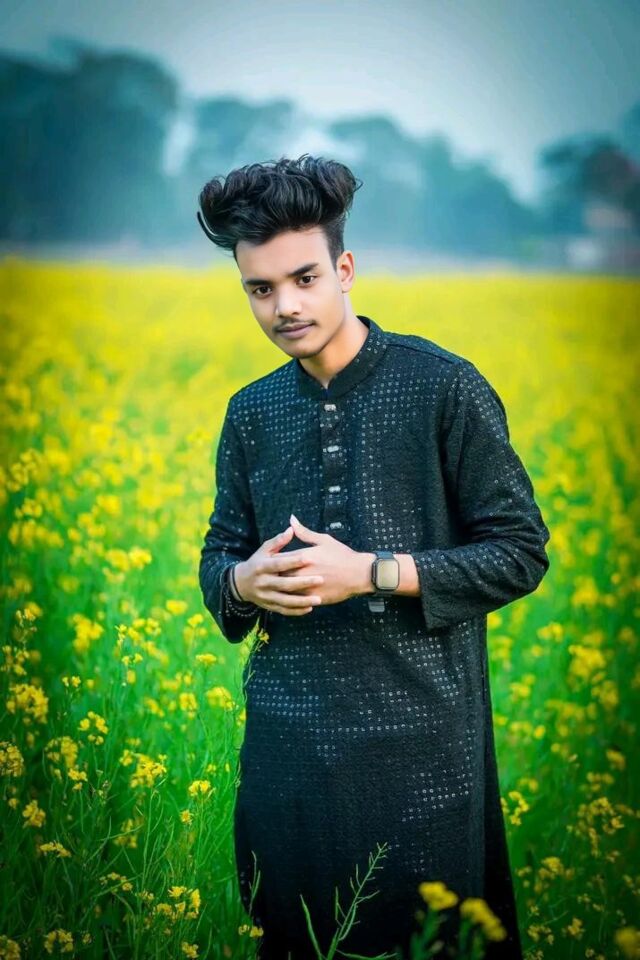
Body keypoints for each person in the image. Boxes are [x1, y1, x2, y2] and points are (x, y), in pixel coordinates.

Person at [197, 154, 550, 960]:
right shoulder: (250, 413)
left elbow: (520, 551)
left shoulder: (443, 388)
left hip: (423, 761)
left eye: (304, 279)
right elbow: (220, 557)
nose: (285, 306)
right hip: (286, 761)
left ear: (345, 270)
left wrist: (371, 572)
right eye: (260, 289)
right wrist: (243, 581)